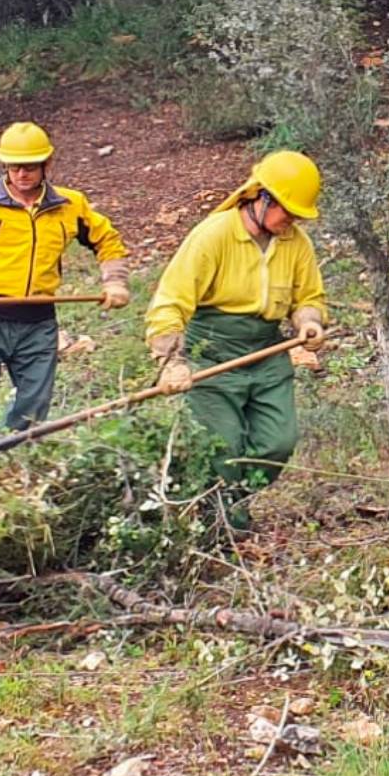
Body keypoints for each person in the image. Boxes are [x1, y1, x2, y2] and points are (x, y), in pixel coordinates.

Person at [144, 150, 329, 519]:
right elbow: (169, 303)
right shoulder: (213, 236)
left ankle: (233, 503)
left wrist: (309, 321)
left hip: (266, 350)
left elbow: (309, 296)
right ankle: (222, 523)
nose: (291, 221)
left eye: (297, 214)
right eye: (287, 211)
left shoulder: (296, 244)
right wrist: (172, 361)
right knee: (223, 446)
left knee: (278, 443)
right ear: (261, 197)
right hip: (211, 350)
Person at [0, 122, 131, 434]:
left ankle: (15, 460)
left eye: (30, 167)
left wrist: (115, 281)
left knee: (31, 415)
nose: (21, 174)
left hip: (38, 322)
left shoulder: (70, 205)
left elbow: (107, 241)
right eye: (14, 168)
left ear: (47, 164)